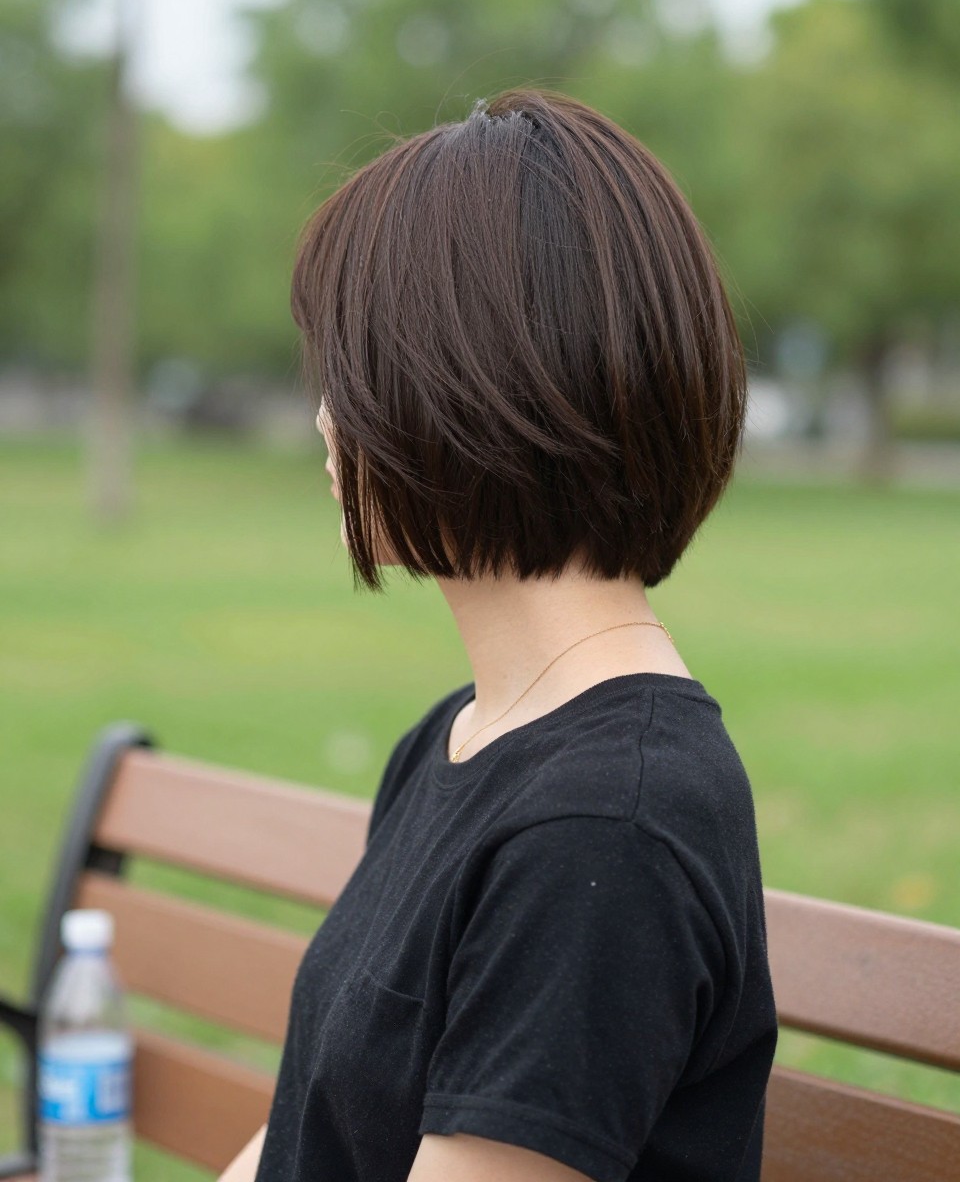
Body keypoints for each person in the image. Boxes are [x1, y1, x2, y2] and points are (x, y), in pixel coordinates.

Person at [232, 88, 777, 1182]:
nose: (329, 418)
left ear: (467, 387)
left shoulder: (605, 827)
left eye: (354, 367)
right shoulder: (467, 736)